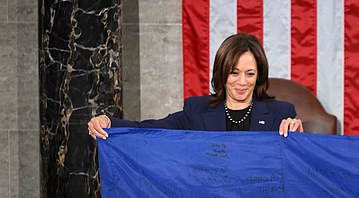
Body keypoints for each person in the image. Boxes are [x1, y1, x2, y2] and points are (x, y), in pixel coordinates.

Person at [87, 33, 303, 139]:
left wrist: (298, 138)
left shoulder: (282, 114)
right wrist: (110, 123)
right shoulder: (196, 110)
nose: (242, 82)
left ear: (259, 76)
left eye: (250, 74)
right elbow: (152, 129)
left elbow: (302, 165)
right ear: (221, 72)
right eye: (234, 72)